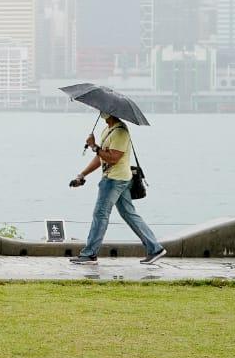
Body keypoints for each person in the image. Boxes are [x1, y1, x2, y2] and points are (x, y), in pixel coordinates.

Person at [67, 114, 166, 265]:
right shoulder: (107, 130)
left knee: (100, 214)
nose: (101, 112)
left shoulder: (121, 132)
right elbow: (101, 158)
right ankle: (155, 249)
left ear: (111, 112)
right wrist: (82, 174)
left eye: (103, 110)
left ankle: (89, 254)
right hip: (119, 179)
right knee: (129, 214)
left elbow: (113, 158)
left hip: (115, 180)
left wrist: (94, 146)